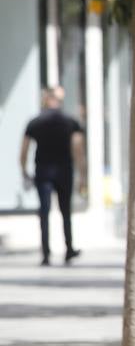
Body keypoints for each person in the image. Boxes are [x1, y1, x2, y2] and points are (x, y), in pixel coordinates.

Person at [20, 86, 85, 266]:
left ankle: (46, 253)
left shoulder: (35, 122)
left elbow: (23, 150)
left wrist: (24, 171)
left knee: (44, 212)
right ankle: (69, 248)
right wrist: (83, 174)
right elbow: (78, 149)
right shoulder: (70, 122)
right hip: (64, 170)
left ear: (45, 101)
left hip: (43, 170)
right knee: (66, 211)